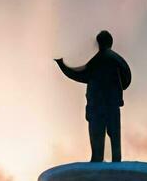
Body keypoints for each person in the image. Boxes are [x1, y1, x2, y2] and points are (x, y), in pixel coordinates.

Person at [55, 30, 132, 163]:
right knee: (113, 143)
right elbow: (125, 79)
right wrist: (63, 66)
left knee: (102, 144)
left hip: (99, 107)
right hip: (107, 106)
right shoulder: (114, 60)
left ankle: (104, 161)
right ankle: (111, 162)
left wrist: (63, 66)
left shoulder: (99, 62)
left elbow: (78, 73)